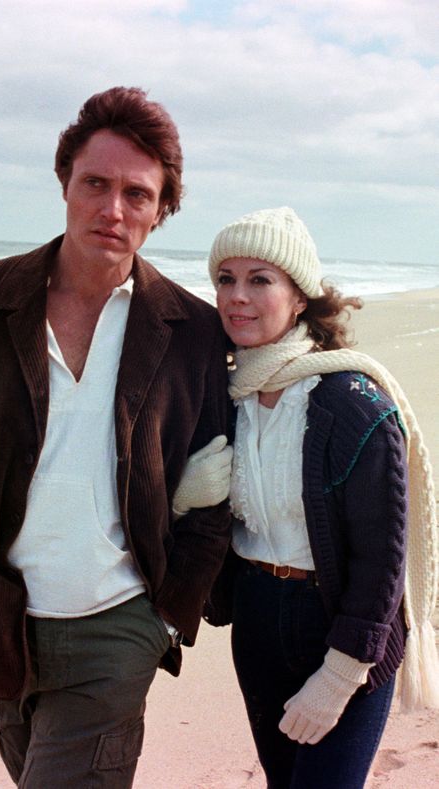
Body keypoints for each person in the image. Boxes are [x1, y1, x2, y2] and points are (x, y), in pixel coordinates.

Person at [0, 86, 233, 788]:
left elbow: (217, 490)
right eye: (95, 184)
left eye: (137, 194)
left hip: (117, 629)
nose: (113, 209)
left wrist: (168, 616)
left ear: (161, 209)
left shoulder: (193, 331)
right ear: (65, 183)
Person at [172, 207, 439, 788]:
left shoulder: (352, 404)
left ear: (299, 297)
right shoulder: (223, 398)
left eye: (260, 280)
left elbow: (382, 558)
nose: (237, 296)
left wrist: (340, 674)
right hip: (257, 622)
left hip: (342, 626)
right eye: (226, 279)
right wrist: (183, 499)